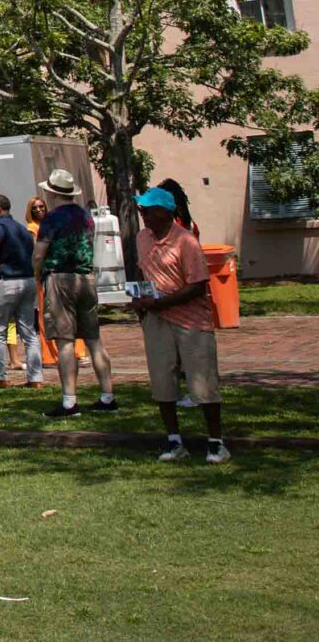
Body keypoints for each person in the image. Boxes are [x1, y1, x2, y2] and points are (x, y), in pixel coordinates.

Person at [130, 187, 229, 464]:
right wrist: (141, 298)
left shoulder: (186, 242)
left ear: (164, 212)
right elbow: (143, 271)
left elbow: (198, 286)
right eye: (142, 210)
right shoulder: (142, 238)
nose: (143, 215)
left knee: (203, 381)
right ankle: (174, 441)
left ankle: (216, 443)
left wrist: (161, 303)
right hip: (156, 321)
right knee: (162, 379)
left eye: (147, 210)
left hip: (191, 321)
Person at [33, 169, 118, 418]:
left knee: (65, 340)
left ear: (51, 192)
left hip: (60, 277)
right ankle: (107, 396)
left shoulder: (52, 218)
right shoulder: (85, 216)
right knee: (94, 340)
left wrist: (37, 275)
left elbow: (39, 253)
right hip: (86, 277)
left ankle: (69, 401)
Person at [0, 193, 42, 389]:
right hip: (28, 280)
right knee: (29, 332)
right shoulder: (21, 228)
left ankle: (0, 378)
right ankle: (35, 378)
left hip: (8, 281)